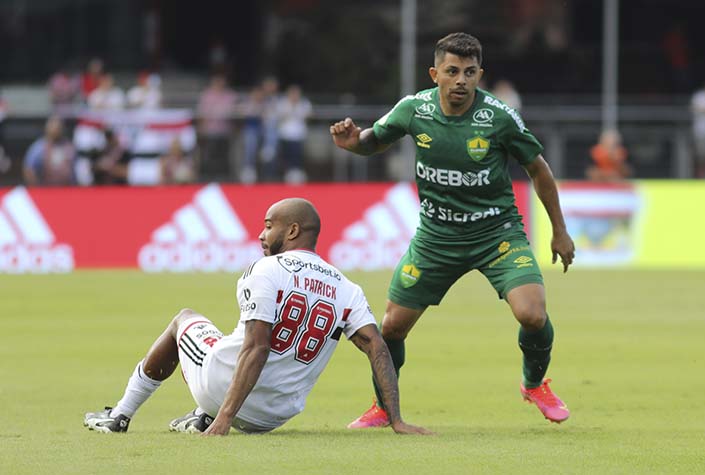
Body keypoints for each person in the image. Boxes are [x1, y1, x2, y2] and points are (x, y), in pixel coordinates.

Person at [330, 32, 575, 427]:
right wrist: (351, 143)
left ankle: (534, 385)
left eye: (470, 72)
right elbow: (372, 141)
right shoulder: (414, 109)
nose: (461, 80)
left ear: (480, 75)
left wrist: (559, 231)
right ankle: (383, 406)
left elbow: (538, 169)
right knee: (391, 327)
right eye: (452, 71)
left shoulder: (498, 117)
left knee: (532, 313)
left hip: (496, 234)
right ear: (435, 74)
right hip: (437, 238)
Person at [84, 198, 431, 436]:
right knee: (227, 342)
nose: (262, 235)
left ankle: (119, 416)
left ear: (292, 231)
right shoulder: (346, 287)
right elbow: (378, 347)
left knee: (183, 320)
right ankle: (202, 417)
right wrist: (396, 418)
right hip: (274, 416)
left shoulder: (267, 269)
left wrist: (224, 419)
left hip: (224, 395)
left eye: (268, 226)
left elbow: (257, 348)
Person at [23, 116, 76, 186]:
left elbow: (75, 169)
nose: (56, 130)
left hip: (67, 189)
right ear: (47, 129)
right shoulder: (39, 147)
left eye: (58, 128)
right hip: (47, 189)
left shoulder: (69, 146)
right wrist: (36, 189)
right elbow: (29, 169)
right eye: (53, 127)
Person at [276, 84, 312, 184]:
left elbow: (309, 115)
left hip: (299, 134)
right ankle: (288, 172)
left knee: (297, 154)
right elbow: (279, 115)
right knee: (287, 154)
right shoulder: (283, 103)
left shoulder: (304, 103)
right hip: (285, 134)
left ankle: (297, 172)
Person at [691, 82, 705, 178]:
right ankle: (701, 178)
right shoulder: (699, 96)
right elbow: (696, 109)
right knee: (701, 158)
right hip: (701, 133)